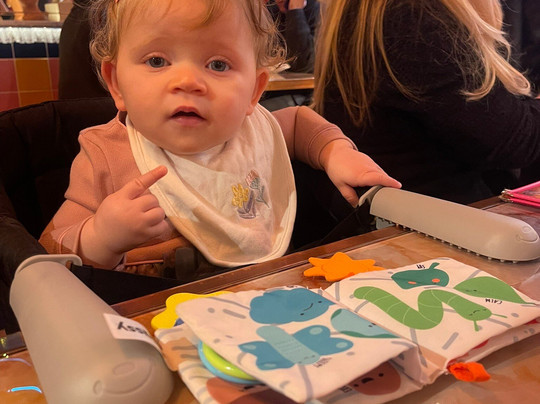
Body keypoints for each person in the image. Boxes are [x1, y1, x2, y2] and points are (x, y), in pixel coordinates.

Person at [39, 0, 400, 277]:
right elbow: (49, 251)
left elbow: (296, 121)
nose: (187, 81)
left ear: (254, 91)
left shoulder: (251, 132)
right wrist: (100, 238)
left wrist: (336, 152)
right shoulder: (105, 155)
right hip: (153, 320)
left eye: (218, 65)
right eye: (157, 61)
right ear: (116, 83)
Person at [312, 0, 540, 206]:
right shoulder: (412, 17)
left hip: (409, 211)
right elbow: (515, 142)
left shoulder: (369, 12)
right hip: (435, 220)